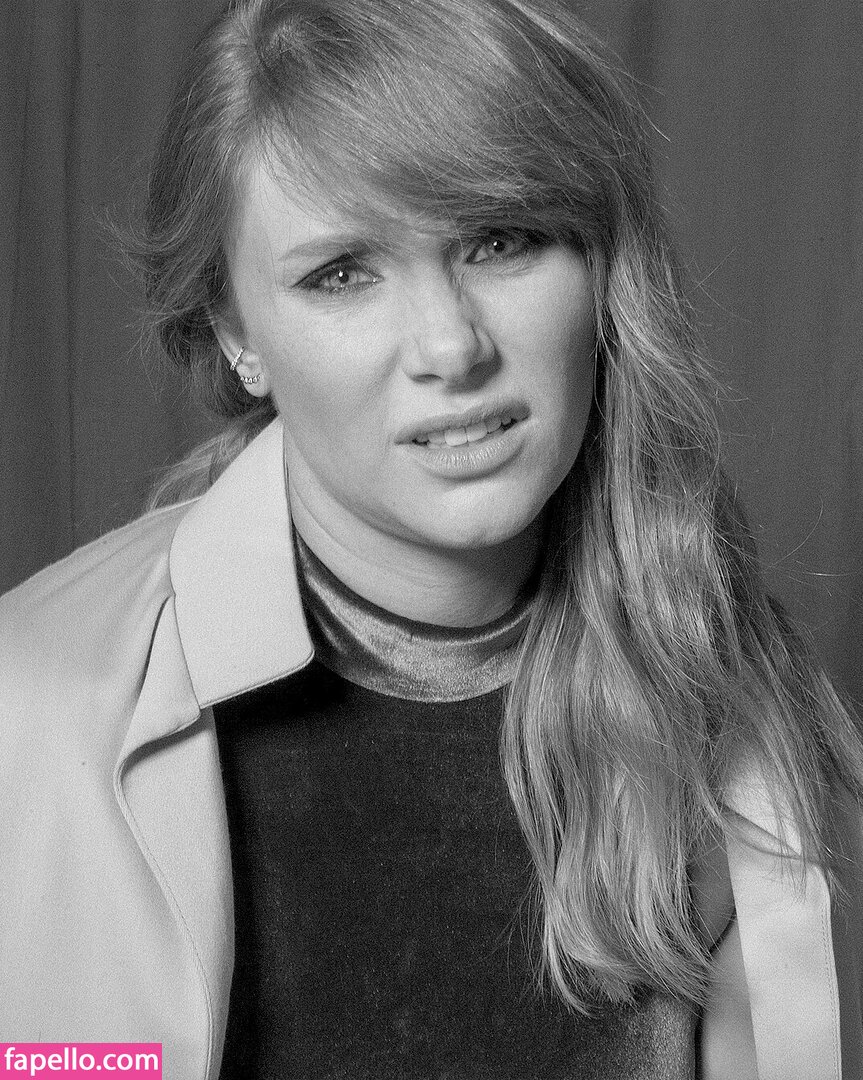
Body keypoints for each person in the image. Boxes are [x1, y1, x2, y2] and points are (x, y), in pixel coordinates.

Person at [1, 0, 862, 1076]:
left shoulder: (741, 699)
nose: (451, 348)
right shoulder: (29, 705)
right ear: (234, 333)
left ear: (603, 271)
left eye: (499, 241)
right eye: (341, 273)